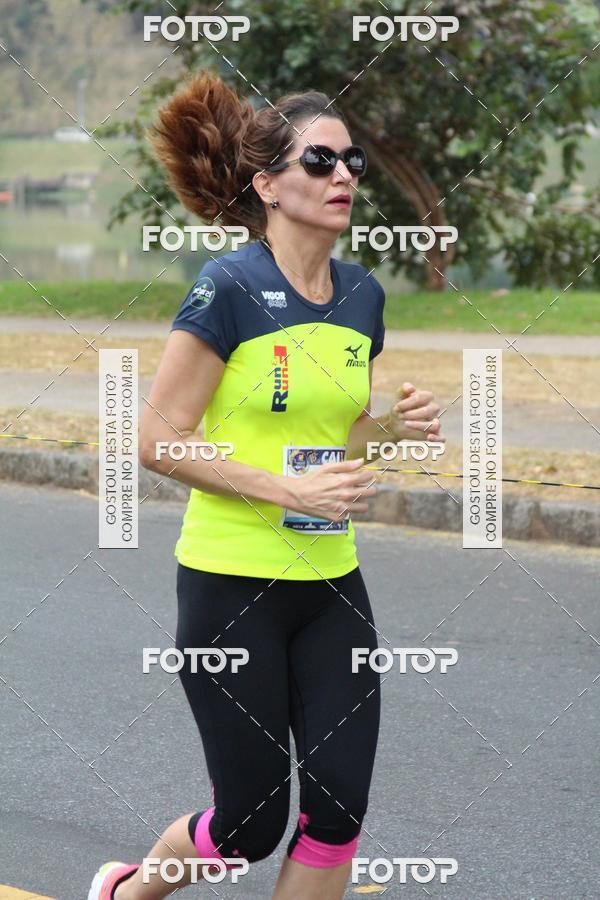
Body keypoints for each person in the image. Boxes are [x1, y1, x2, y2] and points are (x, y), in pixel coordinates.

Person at [88, 69, 444, 900]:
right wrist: (287, 493)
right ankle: (127, 892)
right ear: (268, 185)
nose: (345, 175)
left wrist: (389, 431)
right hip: (231, 588)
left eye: (351, 160)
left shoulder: (363, 296)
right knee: (249, 824)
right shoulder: (229, 289)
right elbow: (154, 441)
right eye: (320, 162)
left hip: (332, 587)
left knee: (337, 811)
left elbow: (333, 444)